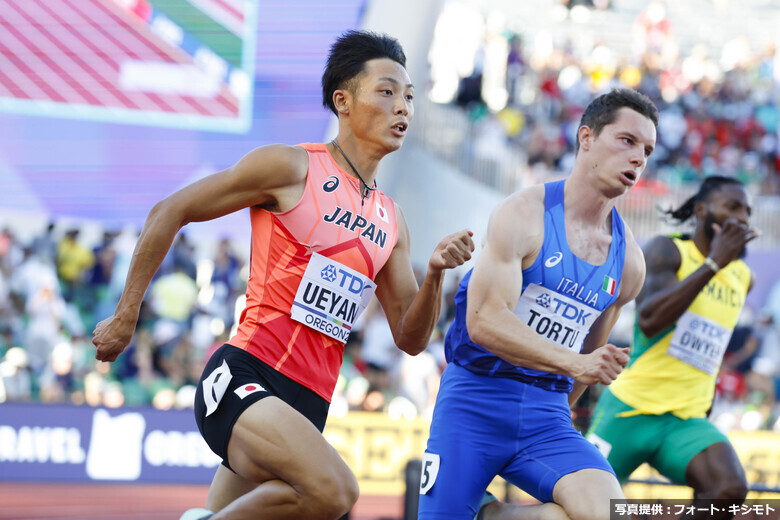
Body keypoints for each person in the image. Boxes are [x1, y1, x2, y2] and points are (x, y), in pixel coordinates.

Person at [91, 30, 474, 520]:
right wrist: (127, 315)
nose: (403, 107)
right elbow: (171, 209)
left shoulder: (390, 220)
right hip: (244, 377)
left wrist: (437, 273)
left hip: (307, 407)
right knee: (336, 493)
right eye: (386, 91)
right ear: (344, 102)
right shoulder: (291, 167)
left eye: (409, 96)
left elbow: (411, 338)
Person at [417, 88, 658, 520]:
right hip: (475, 400)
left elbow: (590, 358)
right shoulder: (524, 213)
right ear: (586, 138)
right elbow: (484, 322)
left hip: (547, 414)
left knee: (608, 514)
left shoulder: (630, 263)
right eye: (626, 141)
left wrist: (573, 377)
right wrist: (574, 364)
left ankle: (494, 517)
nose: (639, 157)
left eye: (647, 149)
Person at [586, 175, 757, 519]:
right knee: (583, 502)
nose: (742, 217)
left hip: (685, 420)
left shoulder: (743, 277)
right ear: (701, 210)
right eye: (732, 207)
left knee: (728, 489)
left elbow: (710, 343)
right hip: (629, 409)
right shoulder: (668, 250)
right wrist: (712, 265)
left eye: (748, 211)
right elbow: (650, 320)